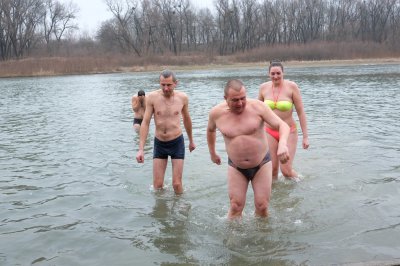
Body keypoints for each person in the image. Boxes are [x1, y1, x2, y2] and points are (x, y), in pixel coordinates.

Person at [207, 79, 290, 219]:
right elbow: (210, 130)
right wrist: (212, 152)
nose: (240, 103)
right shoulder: (216, 113)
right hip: (236, 166)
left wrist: (282, 144)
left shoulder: (258, 107)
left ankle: (263, 237)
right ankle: (232, 239)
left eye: (243, 98)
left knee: (262, 206)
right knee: (235, 206)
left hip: (261, 163)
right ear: (225, 98)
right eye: (235, 100)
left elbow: (283, 126)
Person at [136, 70, 196, 194]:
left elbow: (187, 119)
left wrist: (191, 141)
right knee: (157, 186)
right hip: (160, 143)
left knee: (177, 184)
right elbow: (146, 122)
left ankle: (179, 207)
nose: (166, 88)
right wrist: (141, 149)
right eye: (162, 85)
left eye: (169, 85)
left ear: (176, 83)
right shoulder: (152, 97)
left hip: (177, 142)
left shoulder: (183, 98)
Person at [258, 60, 309, 180]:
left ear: (283, 73)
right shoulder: (263, 88)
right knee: (272, 171)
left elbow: (301, 112)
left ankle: (301, 182)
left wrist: (305, 136)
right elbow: (257, 112)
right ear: (268, 74)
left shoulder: (292, 87)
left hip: (289, 131)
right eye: (273, 73)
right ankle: (275, 197)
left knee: (286, 171)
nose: (275, 76)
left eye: (278, 73)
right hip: (269, 131)